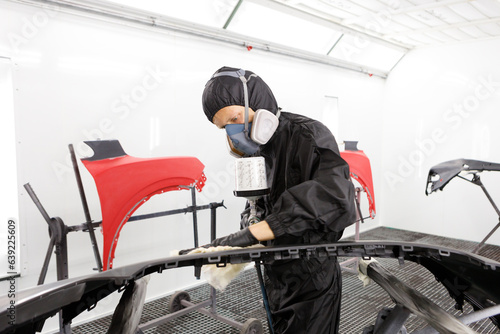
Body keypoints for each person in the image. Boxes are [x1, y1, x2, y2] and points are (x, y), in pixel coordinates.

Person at [201, 66, 356, 334]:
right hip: (275, 274)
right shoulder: (257, 150)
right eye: (225, 127)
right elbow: (259, 204)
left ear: (257, 102)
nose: (233, 131)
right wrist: (246, 230)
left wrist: (254, 233)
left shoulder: (308, 135)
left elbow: (335, 197)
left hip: (311, 275)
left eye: (235, 118)